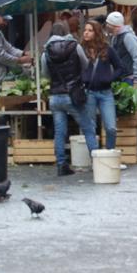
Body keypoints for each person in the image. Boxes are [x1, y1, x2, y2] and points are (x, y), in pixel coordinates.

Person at [41, 22, 97, 176]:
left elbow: (45, 74)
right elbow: (85, 65)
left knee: (60, 132)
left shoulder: (46, 51)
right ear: (66, 32)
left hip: (55, 96)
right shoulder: (75, 46)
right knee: (88, 128)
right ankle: (97, 162)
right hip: (73, 94)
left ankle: (61, 165)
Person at [80, 19, 125, 150]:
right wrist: (82, 79)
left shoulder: (107, 49)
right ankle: (95, 157)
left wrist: (110, 78)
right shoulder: (81, 50)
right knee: (90, 128)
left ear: (97, 32)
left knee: (111, 127)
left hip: (106, 93)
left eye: (90, 30)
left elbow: (120, 67)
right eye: (85, 30)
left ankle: (110, 155)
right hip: (88, 93)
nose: (86, 33)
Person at [105, 11, 137, 85]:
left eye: (109, 25)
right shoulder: (115, 37)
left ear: (115, 26)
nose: (107, 27)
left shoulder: (128, 37)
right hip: (121, 77)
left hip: (130, 78)